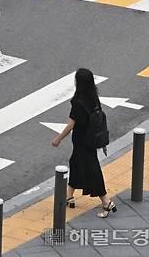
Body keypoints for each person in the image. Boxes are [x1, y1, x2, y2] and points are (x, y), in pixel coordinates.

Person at [51, 68, 117, 218]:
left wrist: (58, 139)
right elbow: (99, 121)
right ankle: (69, 196)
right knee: (75, 163)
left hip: (82, 141)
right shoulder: (94, 97)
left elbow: (71, 125)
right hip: (91, 139)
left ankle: (106, 201)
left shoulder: (78, 102)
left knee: (92, 169)